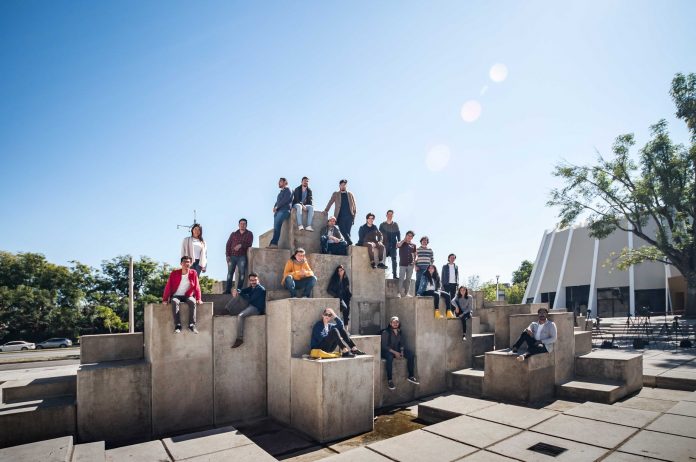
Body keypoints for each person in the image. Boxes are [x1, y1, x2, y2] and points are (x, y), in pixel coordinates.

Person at [162, 256, 202, 334]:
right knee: (174, 301)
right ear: (181, 263)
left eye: (188, 262)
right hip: (176, 295)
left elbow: (197, 286)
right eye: (184, 262)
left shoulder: (193, 273)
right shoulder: (174, 273)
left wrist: (198, 298)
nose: (186, 263)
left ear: (190, 264)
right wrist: (165, 299)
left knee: (192, 301)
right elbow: (168, 286)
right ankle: (178, 325)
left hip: (187, 295)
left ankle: (191, 325)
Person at [381, 316, 419, 390]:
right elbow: (384, 346)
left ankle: (411, 376)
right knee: (389, 358)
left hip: (397, 350)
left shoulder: (399, 331)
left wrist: (401, 352)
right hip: (387, 351)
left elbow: (402, 344)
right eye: (394, 322)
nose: (395, 323)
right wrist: (395, 353)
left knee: (410, 354)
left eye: (397, 322)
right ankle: (390, 380)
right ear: (390, 323)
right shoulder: (386, 332)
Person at [231, 273, 266, 348]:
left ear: (258, 280)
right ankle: (227, 310)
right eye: (251, 280)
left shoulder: (260, 289)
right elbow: (243, 290)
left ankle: (239, 339)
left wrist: (240, 293)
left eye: (255, 280)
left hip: (256, 309)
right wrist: (237, 290)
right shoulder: (252, 287)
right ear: (249, 281)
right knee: (238, 293)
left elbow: (250, 299)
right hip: (250, 305)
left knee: (240, 316)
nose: (253, 282)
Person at [324, 179, 357, 245]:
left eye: (344, 185)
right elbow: (330, 202)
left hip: (349, 216)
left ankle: (347, 246)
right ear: (339, 186)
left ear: (346, 186)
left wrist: (353, 217)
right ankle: (350, 243)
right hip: (340, 216)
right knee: (343, 231)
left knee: (348, 232)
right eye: (342, 185)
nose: (343, 186)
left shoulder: (350, 194)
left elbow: (354, 206)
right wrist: (326, 210)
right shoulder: (336, 194)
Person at [225, 218, 254, 293]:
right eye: (241, 224)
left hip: (242, 256)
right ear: (238, 225)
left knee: (242, 273)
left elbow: (249, 244)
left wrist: (241, 245)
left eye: (244, 224)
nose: (242, 225)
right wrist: (227, 255)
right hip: (232, 256)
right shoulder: (233, 234)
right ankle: (228, 290)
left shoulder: (249, 234)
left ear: (246, 225)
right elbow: (228, 244)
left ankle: (239, 290)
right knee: (229, 274)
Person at [268, 177, 292, 248]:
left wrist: (277, 207)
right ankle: (273, 244)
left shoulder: (288, 190)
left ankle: (274, 244)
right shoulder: (280, 192)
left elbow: (285, 200)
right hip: (278, 212)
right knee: (276, 228)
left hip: (284, 210)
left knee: (277, 228)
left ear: (285, 182)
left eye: (280, 181)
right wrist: (274, 206)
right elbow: (277, 201)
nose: (279, 183)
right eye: (279, 181)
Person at [379, 210, 401, 279]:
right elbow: (379, 234)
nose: (390, 216)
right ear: (386, 215)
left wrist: (399, 241)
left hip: (393, 245)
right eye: (389, 214)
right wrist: (379, 241)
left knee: (394, 260)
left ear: (392, 216)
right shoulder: (382, 224)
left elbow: (398, 233)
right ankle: (381, 275)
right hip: (385, 244)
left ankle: (395, 275)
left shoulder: (395, 224)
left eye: (391, 215)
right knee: (382, 259)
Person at [396, 231, 417, 297]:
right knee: (401, 279)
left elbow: (415, 255)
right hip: (402, 264)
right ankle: (399, 293)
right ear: (406, 235)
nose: (409, 237)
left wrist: (414, 262)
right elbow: (398, 245)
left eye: (411, 236)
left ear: (412, 237)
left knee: (408, 280)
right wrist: (404, 240)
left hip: (410, 265)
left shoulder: (413, 245)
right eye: (408, 235)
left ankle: (407, 293)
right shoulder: (402, 243)